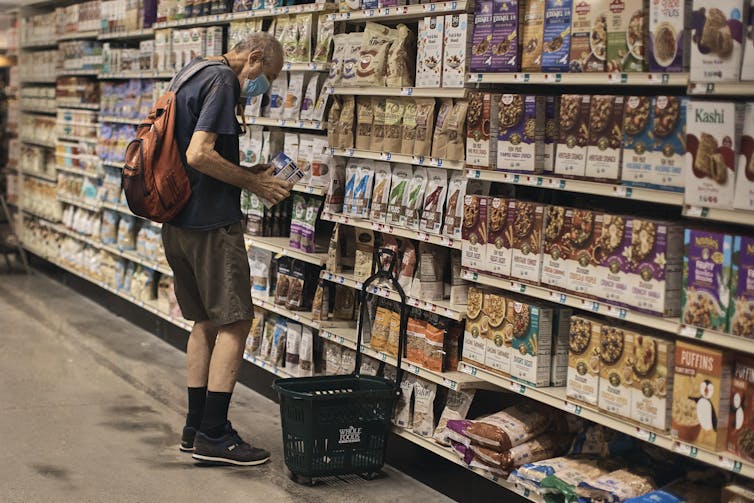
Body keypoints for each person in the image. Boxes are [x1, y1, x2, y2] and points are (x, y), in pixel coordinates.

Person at [161, 31, 291, 466]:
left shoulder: (192, 70)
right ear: (252, 58)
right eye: (266, 76)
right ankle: (215, 435)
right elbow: (199, 154)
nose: (262, 87)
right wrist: (252, 182)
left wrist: (241, 170)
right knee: (235, 322)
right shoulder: (222, 80)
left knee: (203, 322)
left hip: (178, 221)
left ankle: (195, 426)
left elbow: (188, 148)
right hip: (210, 225)